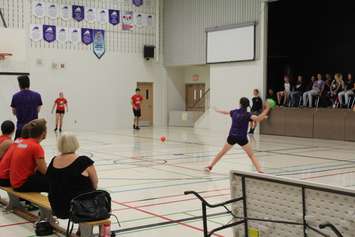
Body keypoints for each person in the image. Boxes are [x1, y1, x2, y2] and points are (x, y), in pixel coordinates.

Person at [205, 98, 269, 173]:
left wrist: (217, 110)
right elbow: (258, 119)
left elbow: (225, 112)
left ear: (240, 104)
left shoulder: (234, 112)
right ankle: (260, 170)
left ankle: (210, 166)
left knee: (222, 152)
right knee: (251, 155)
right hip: (242, 138)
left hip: (232, 136)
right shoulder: (248, 115)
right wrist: (266, 110)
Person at [47, 133, 98, 219]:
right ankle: (102, 231)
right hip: (78, 208)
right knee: (101, 198)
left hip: (57, 207)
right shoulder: (83, 161)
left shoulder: (54, 160)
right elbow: (95, 183)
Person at [10, 119, 49, 192]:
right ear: (43, 133)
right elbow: (44, 170)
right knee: (55, 183)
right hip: (21, 184)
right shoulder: (36, 146)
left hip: (14, 181)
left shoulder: (23, 141)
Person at [11, 75, 43, 139]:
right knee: (32, 147)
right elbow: (38, 110)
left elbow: (14, 112)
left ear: (20, 84)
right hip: (34, 128)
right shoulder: (37, 95)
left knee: (19, 147)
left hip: (21, 128)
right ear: (29, 84)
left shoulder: (15, 96)